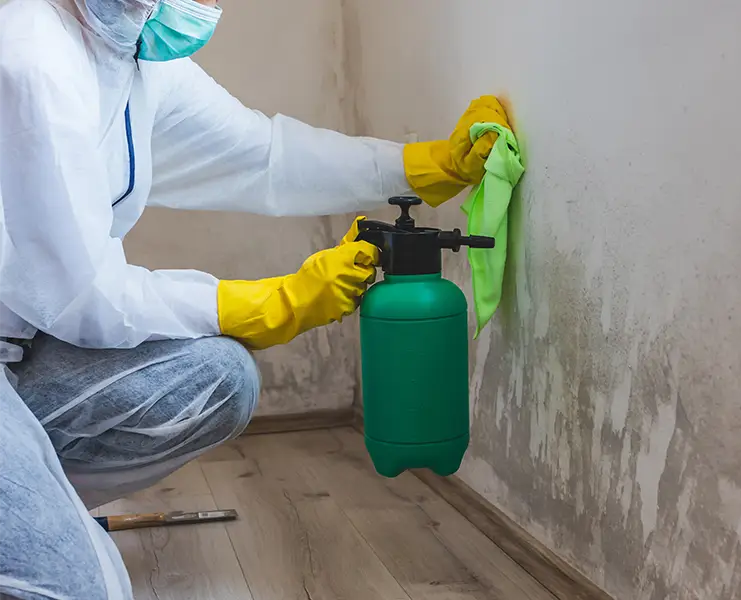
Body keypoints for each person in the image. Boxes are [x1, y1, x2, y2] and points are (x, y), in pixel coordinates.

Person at [0, 0, 512, 597]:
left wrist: (422, 167)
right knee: (76, 589)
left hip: (20, 351)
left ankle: (37, 504)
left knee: (220, 376)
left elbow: (264, 155)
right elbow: (81, 296)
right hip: (34, 332)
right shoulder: (32, 56)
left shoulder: (129, 52)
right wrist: (270, 302)